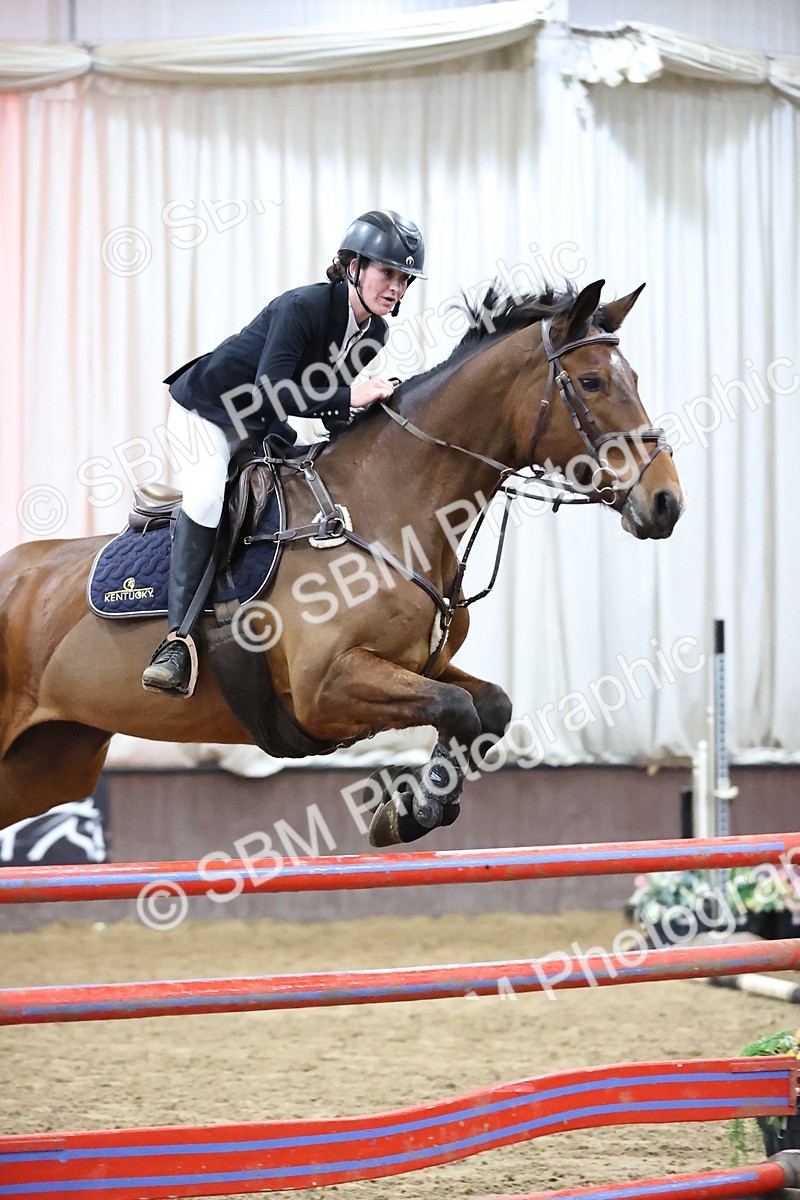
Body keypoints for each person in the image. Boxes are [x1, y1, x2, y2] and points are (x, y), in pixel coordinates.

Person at [141, 208, 426, 697]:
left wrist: (384, 419)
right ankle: (175, 642)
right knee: (208, 496)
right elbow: (274, 390)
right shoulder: (303, 307)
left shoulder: (373, 334)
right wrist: (352, 396)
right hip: (205, 412)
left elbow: (330, 408)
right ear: (353, 267)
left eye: (405, 278)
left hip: (260, 425)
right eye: (387, 272)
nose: (396, 287)